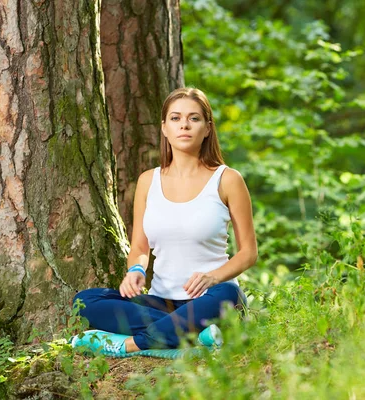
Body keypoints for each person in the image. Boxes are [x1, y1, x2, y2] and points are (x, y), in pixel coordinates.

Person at [71, 87, 257, 358]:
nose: (184, 124)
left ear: (207, 128)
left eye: (194, 118)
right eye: (175, 118)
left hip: (209, 300)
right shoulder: (148, 181)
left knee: (228, 294)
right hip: (161, 303)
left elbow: (248, 253)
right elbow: (139, 247)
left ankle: (128, 345)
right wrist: (135, 269)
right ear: (164, 128)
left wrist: (212, 277)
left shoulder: (228, 179)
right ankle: (195, 337)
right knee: (86, 301)